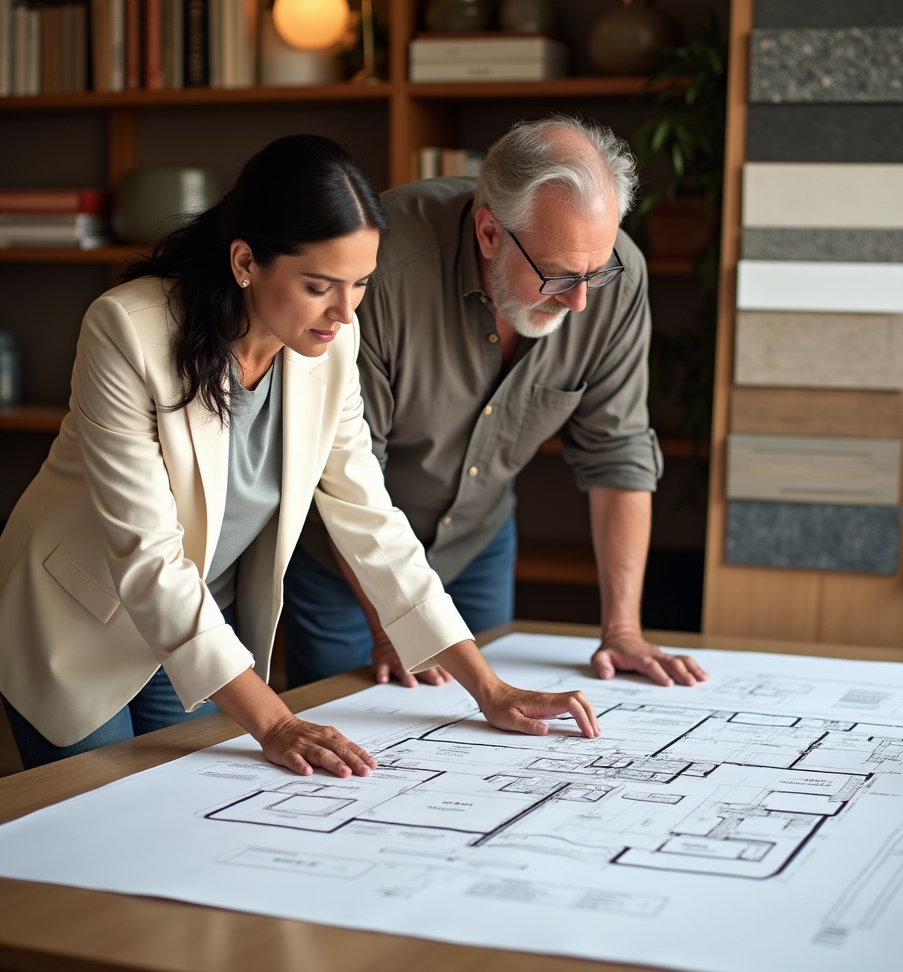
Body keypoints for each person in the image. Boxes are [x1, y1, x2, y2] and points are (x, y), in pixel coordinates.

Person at [0, 135, 599, 773]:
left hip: (205, 623)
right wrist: (278, 723)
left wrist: (490, 688)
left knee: (183, 817)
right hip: (83, 617)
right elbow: (149, 558)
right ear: (245, 262)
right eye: (319, 285)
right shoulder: (126, 330)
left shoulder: (331, 343)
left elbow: (371, 516)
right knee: (100, 824)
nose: (344, 312)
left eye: (361, 284)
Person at [284, 117, 708, 691]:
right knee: (346, 735)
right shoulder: (380, 271)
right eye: (558, 277)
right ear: (489, 233)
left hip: (477, 543)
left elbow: (620, 453)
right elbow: (346, 475)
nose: (582, 302)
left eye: (595, 272)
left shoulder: (616, 279)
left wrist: (623, 629)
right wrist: (394, 630)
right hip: (347, 554)